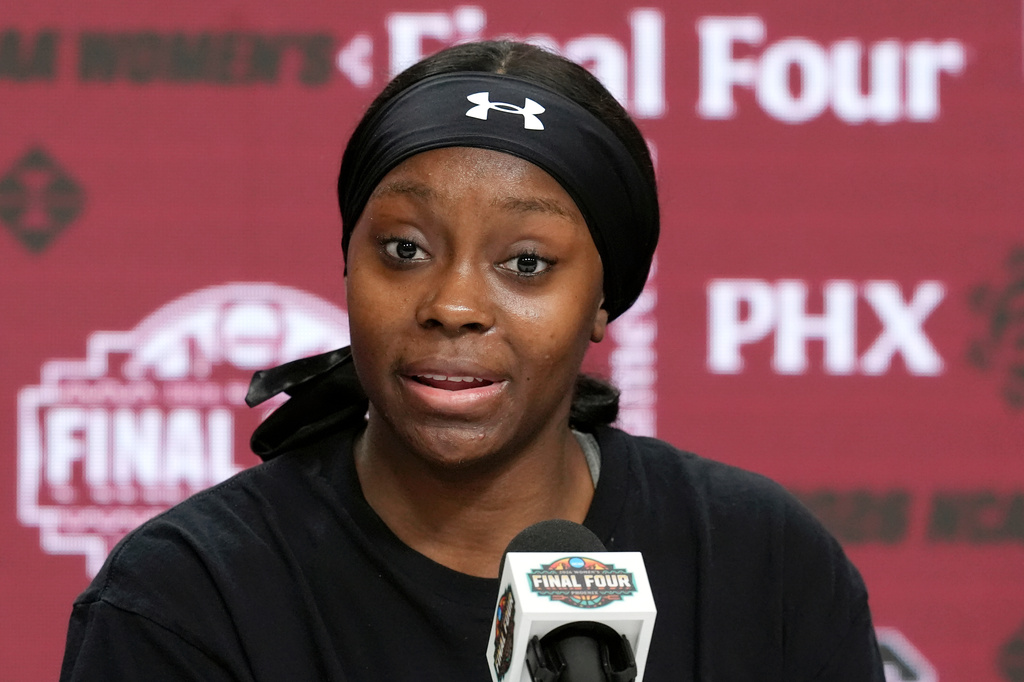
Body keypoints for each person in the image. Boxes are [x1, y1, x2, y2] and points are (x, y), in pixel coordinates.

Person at [60, 40, 884, 680]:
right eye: (404, 248)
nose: (452, 305)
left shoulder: (763, 568)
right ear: (349, 263)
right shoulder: (189, 598)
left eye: (526, 263)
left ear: (604, 298)